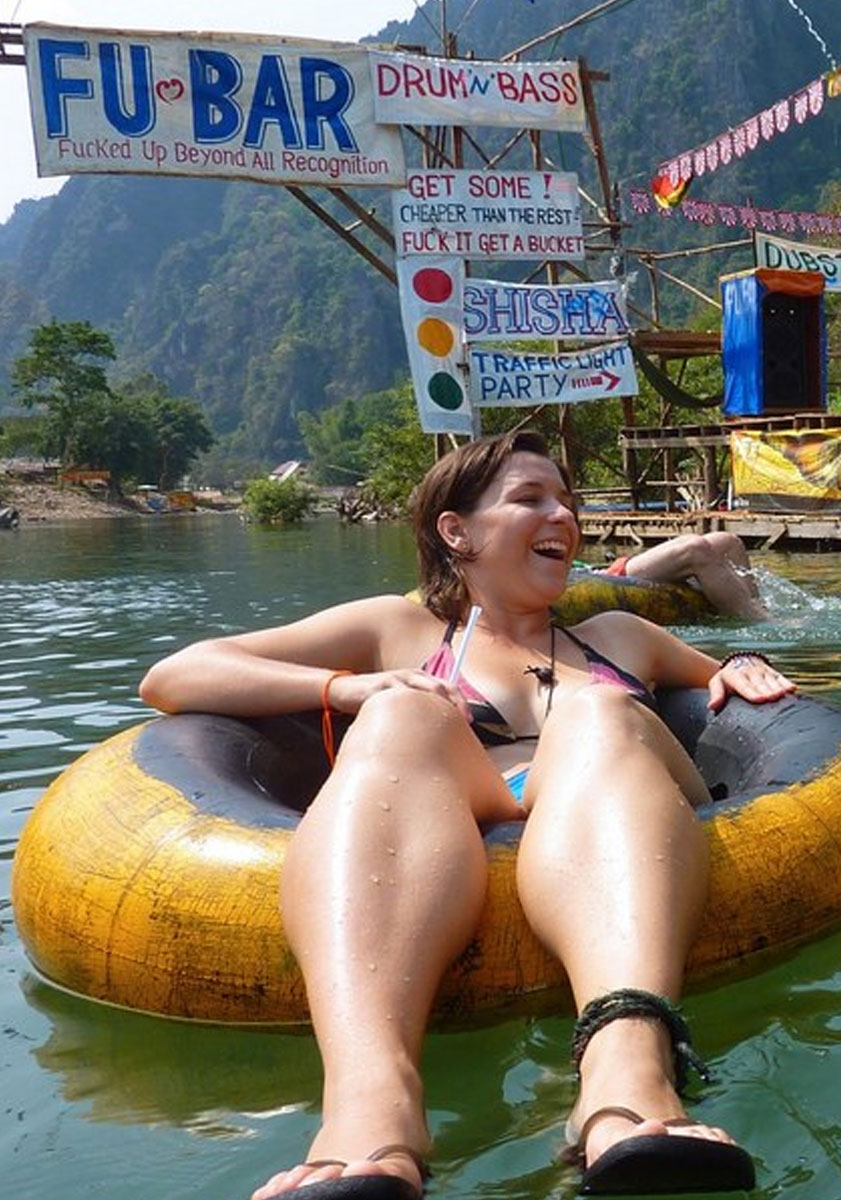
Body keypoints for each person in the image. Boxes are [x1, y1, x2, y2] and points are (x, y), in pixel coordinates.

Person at [140, 432, 792, 1200]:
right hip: (463, 797)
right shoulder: (398, 629)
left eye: (566, 501)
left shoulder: (617, 635)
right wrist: (351, 690)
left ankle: (627, 1074)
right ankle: (371, 1110)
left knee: (597, 712)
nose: (563, 515)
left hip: (608, 794)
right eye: (530, 499)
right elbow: (173, 677)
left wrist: (743, 667)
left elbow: (730, 681)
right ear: (457, 532)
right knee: (399, 719)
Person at [604, 532, 767, 621]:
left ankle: (755, 607)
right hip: (612, 576)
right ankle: (755, 619)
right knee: (694, 549)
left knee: (728, 541)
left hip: (617, 566)